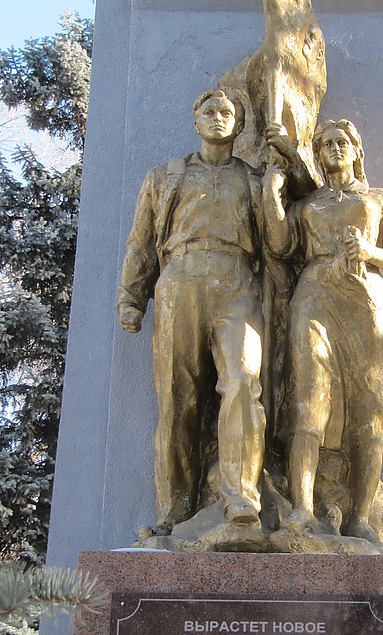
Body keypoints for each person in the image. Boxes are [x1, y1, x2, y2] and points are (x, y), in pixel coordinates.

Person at [117, 90, 266, 533]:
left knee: (243, 382)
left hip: (238, 281)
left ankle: (240, 495)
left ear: (238, 125)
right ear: (195, 120)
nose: (217, 118)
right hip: (179, 280)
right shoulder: (165, 176)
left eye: (227, 113)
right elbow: (141, 241)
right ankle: (175, 509)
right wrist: (131, 296)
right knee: (177, 398)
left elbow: (277, 244)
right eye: (209, 112)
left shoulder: (254, 180)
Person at [263, 119, 383, 543]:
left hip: (366, 303)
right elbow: (280, 245)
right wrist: (272, 194)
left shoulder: (381, 199)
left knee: (371, 409)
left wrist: (370, 251)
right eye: (326, 144)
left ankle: (360, 517)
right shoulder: (307, 205)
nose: (335, 148)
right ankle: (302, 508)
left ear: (356, 150)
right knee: (308, 402)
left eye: (342, 142)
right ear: (318, 154)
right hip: (314, 297)